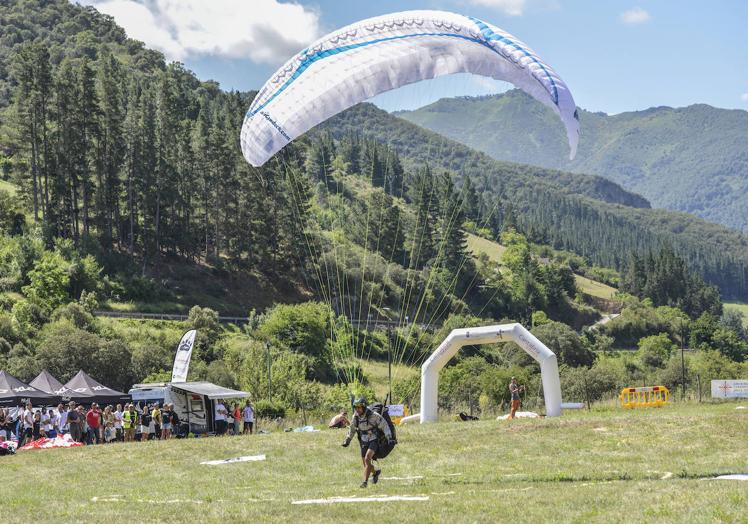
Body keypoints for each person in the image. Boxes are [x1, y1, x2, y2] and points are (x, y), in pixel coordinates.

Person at [342, 398, 394, 489]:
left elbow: (384, 425)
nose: (357, 409)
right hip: (363, 440)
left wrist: (389, 437)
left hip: (374, 439)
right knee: (365, 463)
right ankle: (375, 472)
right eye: (355, 407)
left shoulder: (374, 416)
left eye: (359, 407)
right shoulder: (356, 417)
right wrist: (347, 440)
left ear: (364, 407)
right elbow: (352, 429)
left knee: (367, 459)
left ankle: (364, 482)